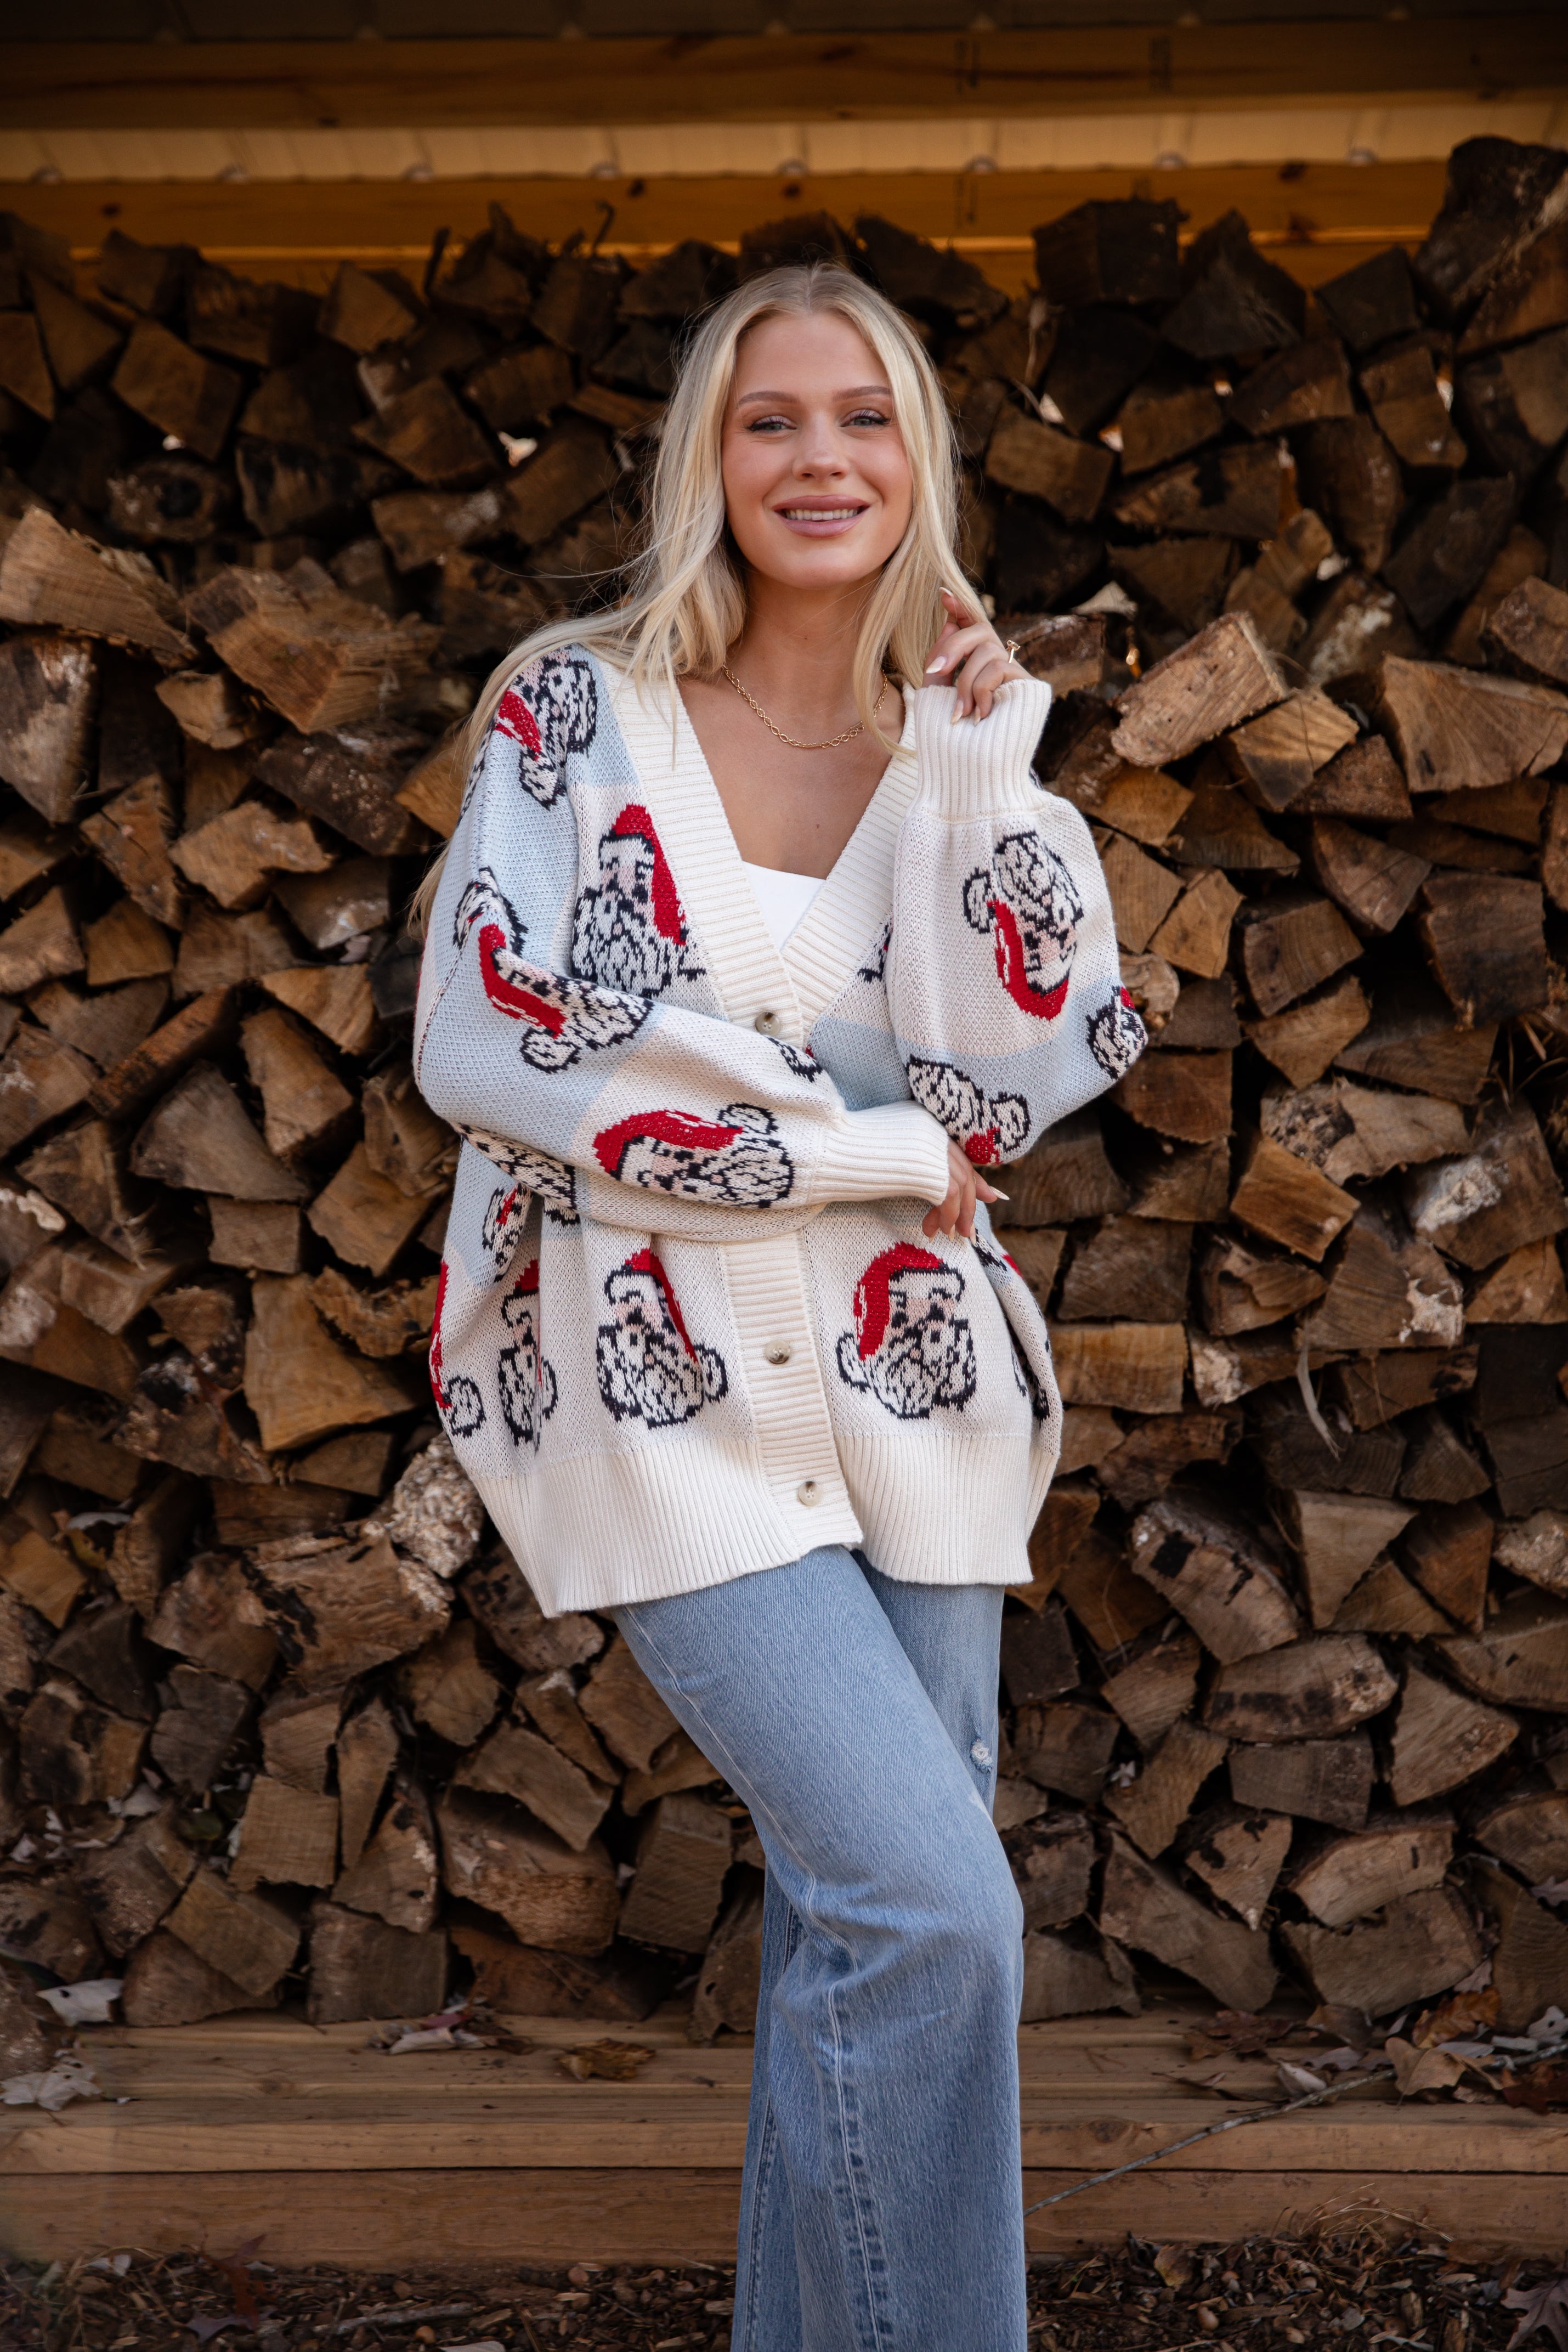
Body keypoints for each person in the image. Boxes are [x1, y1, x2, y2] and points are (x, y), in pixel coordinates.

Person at [412, 261, 1144, 2352]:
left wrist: (986, 785)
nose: (818, 458)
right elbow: (492, 1055)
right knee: (936, 1912)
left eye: (861, 417)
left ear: (917, 453)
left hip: (919, 1400)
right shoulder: (576, 712)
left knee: (860, 1932)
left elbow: (1011, 1080)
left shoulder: (961, 739)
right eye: (768, 420)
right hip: (653, 1410)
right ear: (704, 462)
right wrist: (845, 1152)